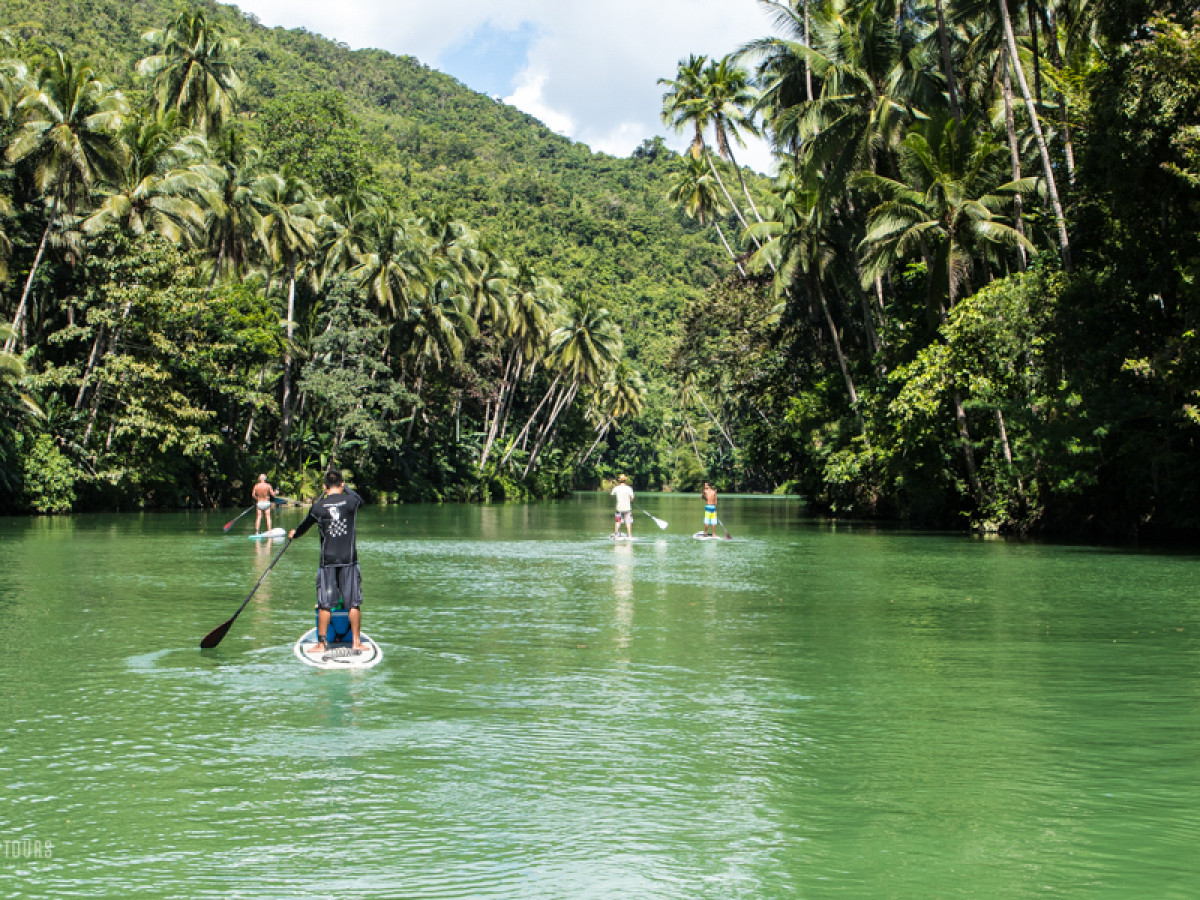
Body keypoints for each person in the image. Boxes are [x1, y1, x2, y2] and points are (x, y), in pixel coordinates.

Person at [289, 470, 366, 654]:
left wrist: (294, 535)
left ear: (324, 487)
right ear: (341, 484)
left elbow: (304, 527)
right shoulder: (351, 502)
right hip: (349, 560)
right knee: (353, 603)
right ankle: (356, 642)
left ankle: (321, 644)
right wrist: (345, 487)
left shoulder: (318, 507)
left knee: (325, 603)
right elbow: (359, 499)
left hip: (328, 562)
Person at [611, 474, 635, 539]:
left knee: (618, 522)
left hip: (619, 508)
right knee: (628, 522)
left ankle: (616, 535)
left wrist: (613, 487)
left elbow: (611, 495)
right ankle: (629, 536)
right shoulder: (629, 488)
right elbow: (632, 497)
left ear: (619, 481)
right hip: (627, 508)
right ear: (625, 480)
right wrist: (631, 500)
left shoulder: (616, 488)